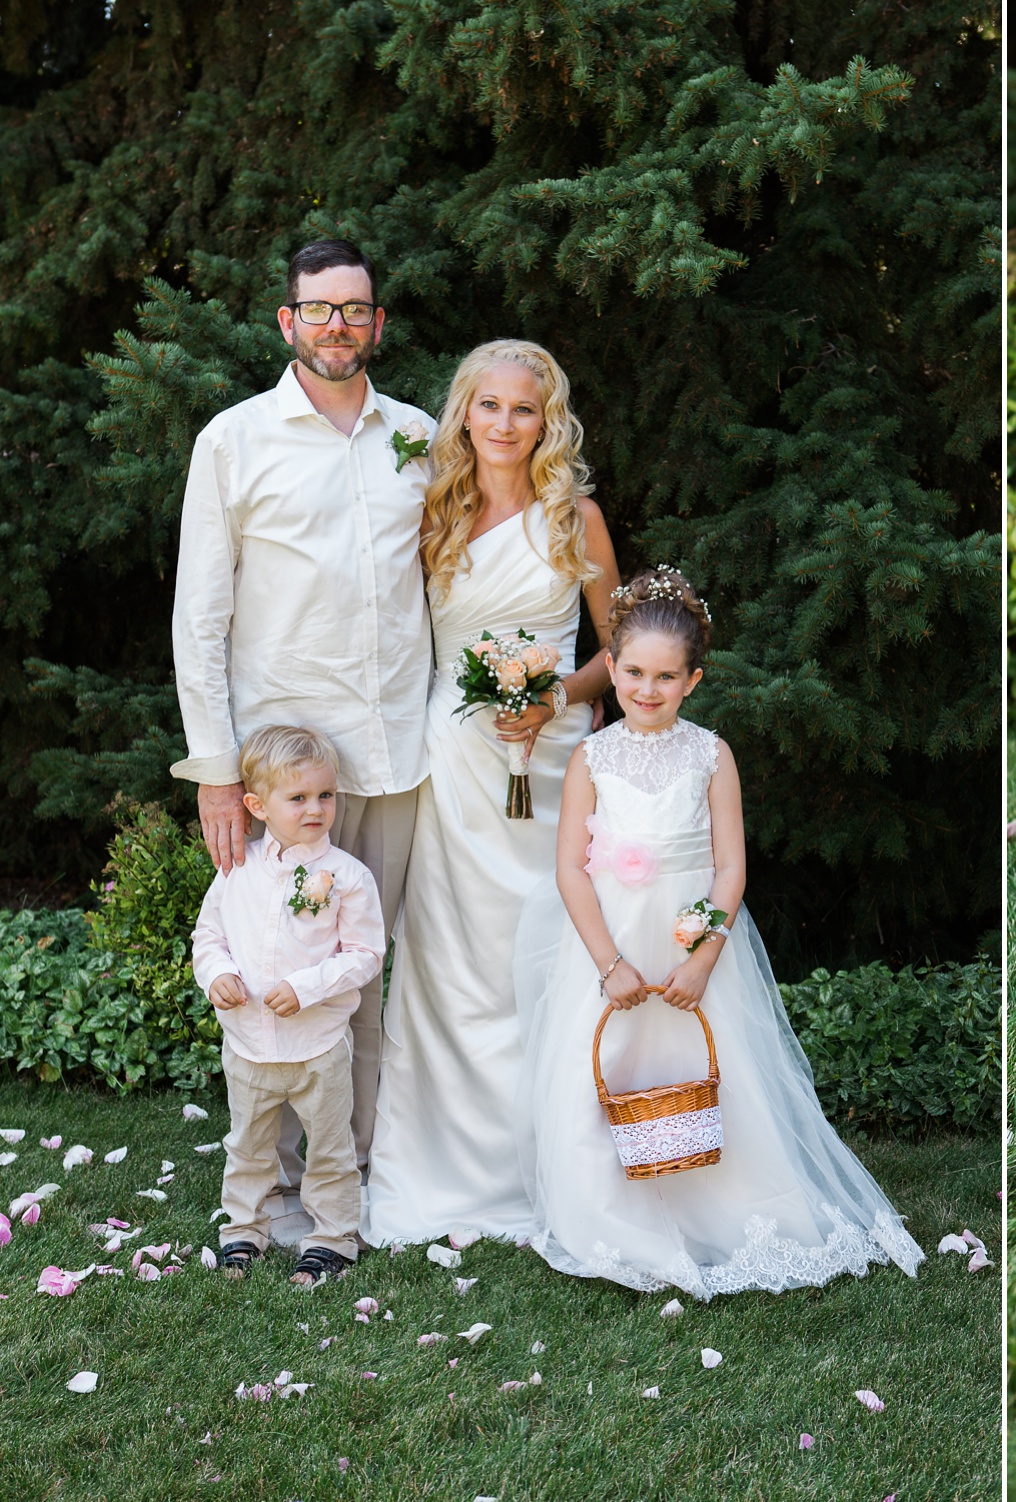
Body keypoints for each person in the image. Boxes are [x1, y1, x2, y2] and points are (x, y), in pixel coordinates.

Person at [514, 567, 925, 1295]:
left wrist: (705, 958)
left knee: (708, 1070)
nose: (646, 690)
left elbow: (730, 869)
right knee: (602, 1073)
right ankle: (614, 1220)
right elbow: (572, 871)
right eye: (633, 672)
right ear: (610, 669)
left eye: (665, 678)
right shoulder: (592, 757)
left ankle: (722, 1209)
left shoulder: (711, 754)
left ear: (693, 681)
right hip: (610, 944)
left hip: (686, 940)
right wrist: (607, 963)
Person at [173, 239, 430, 1189]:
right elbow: (198, 618)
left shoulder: (422, 435)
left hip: (401, 754)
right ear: (288, 321)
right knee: (273, 963)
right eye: (318, 309)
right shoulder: (233, 440)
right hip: (281, 775)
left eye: (354, 309)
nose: (337, 325)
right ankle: (272, 1179)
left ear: (378, 323)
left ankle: (356, 1171)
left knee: (364, 972)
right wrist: (216, 770)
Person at [362, 340, 620, 1246]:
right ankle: (446, 1169)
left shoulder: (575, 518)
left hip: (553, 766)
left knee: (548, 955)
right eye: (491, 406)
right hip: (458, 764)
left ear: (548, 422)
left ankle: (567, 1161)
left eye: (526, 410)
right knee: (451, 962)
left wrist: (556, 695)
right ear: (463, 412)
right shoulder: (431, 512)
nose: (507, 425)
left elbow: (621, 651)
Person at [191, 726, 385, 1286]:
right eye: (297, 798)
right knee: (248, 1144)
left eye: (325, 796)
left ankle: (331, 1238)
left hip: (317, 1043)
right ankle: (242, 1230)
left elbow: (365, 953)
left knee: (329, 1146)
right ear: (256, 806)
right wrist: (219, 974)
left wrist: (309, 987)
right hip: (249, 1042)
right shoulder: (236, 870)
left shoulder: (346, 877)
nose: (316, 809)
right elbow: (209, 938)